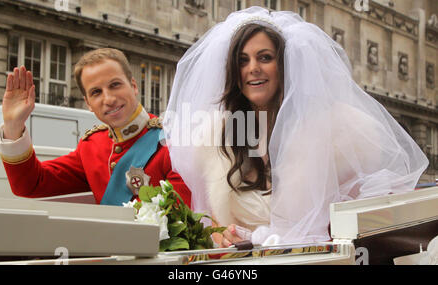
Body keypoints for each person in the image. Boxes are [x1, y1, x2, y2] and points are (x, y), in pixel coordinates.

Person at [163, 7, 428, 247]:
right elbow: (211, 222)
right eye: (243, 60)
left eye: (264, 57)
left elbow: (371, 219)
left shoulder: (337, 133)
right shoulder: (214, 137)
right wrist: (220, 236)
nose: (252, 68)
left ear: (284, 64)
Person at [0, 48, 191, 207]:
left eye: (115, 85)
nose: (109, 99)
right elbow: (31, 184)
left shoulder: (175, 143)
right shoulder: (91, 146)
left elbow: (178, 224)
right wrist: (14, 125)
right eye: (96, 92)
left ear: (133, 86)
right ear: (88, 103)